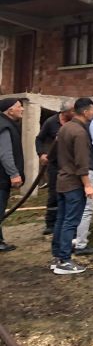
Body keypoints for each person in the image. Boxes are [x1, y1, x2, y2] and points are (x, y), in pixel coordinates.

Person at [51, 98, 93, 275]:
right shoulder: (79, 132)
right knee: (71, 222)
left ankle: (57, 257)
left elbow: (52, 154)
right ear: (85, 112)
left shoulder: (65, 128)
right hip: (74, 184)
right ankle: (65, 260)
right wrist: (88, 185)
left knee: (61, 220)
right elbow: (81, 162)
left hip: (62, 180)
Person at [35, 98, 75, 235]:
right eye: (72, 111)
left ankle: (64, 221)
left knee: (69, 193)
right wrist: (41, 154)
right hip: (54, 163)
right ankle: (50, 223)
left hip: (70, 164)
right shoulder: (51, 122)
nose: (74, 113)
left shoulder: (75, 123)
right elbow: (39, 138)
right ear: (65, 112)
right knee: (53, 193)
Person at [73, 104, 93, 255]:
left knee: (76, 205)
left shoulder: (71, 125)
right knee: (87, 207)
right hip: (88, 168)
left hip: (75, 170)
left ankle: (75, 237)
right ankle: (81, 243)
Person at [0, 98, 25, 252]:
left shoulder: (6, 124)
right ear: (10, 110)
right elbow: (5, 154)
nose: (22, 109)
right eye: (19, 106)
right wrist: (14, 174)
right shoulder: (4, 127)